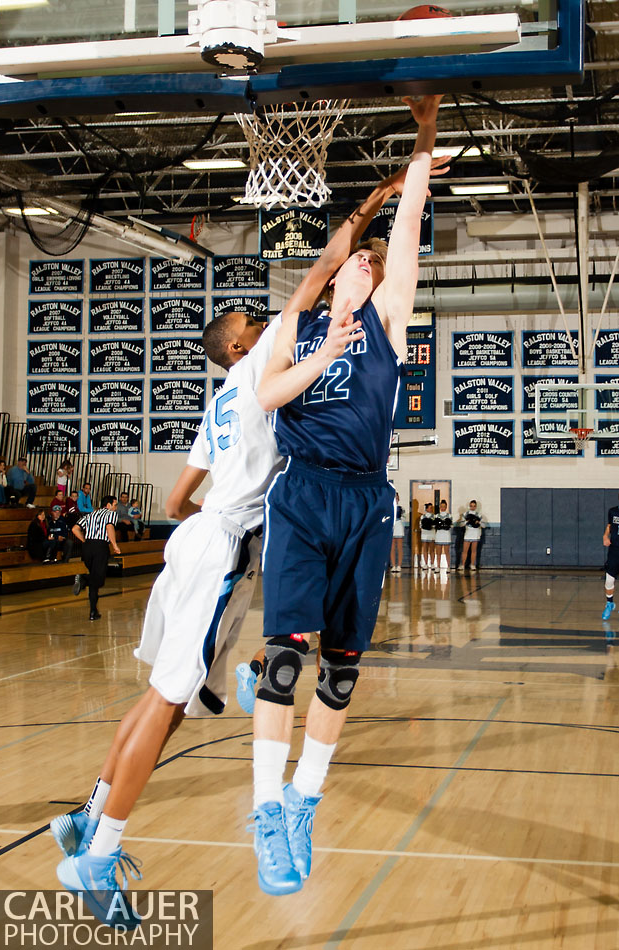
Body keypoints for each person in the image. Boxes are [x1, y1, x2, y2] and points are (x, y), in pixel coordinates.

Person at [50, 169, 421, 927]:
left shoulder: (217, 401)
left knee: (164, 697)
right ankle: (96, 852)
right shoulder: (265, 362)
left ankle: (89, 814)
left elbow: (178, 496)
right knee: (172, 700)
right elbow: (320, 270)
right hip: (223, 543)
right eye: (254, 319)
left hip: (196, 533)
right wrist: (376, 199)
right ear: (242, 342)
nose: (275, 316)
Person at [249, 95, 443, 896]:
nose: (366, 264)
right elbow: (267, 399)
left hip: (366, 500)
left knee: (342, 667)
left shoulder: (389, 323)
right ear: (333, 278)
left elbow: (409, 219)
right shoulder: (292, 328)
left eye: (371, 262)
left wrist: (424, 133)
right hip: (302, 496)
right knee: (287, 659)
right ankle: (266, 811)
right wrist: (322, 344)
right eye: (354, 261)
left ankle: (304, 802)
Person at [71, 495, 121, 621]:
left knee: (94, 580)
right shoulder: (111, 514)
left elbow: (75, 529)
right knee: (99, 579)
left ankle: (93, 611)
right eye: (115, 505)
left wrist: (84, 541)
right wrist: (115, 545)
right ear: (108, 505)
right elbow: (109, 527)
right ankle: (83, 579)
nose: (116, 507)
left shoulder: (90, 515)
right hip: (100, 547)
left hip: (87, 547)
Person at [602, 496, 619, 620]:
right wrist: (605, 536)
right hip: (614, 550)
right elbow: (609, 526)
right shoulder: (613, 512)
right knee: (609, 580)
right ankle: (609, 603)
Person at [458, 499, 483, 572]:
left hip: (475, 534)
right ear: (469, 506)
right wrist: (467, 521)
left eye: (474, 506)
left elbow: (483, 525)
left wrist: (479, 522)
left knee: (474, 551)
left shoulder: (479, 515)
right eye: (471, 506)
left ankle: (472, 564)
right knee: (465, 550)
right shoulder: (465, 514)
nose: (472, 507)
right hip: (468, 534)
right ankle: (462, 565)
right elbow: (461, 524)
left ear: (476, 507)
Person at [434, 499, 453, 573]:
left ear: (446, 507)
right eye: (441, 506)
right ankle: (438, 566)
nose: (442, 508)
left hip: (446, 535)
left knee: (446, 552)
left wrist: (447, 525)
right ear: (439, 507)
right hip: (439, 535)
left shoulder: (449, 515)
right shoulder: (436, 516)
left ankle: (448, 567)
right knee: (438, 552)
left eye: (444, 506)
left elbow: (451, 525)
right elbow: (434, 525)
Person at [390, 491, 405, 573]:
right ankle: (393, 565)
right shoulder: (388, 507)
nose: (396, 499)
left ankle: (399, 565)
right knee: (392, 547)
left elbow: (404, 517)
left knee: (399, 547)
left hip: (399, 526)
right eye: (394, 497)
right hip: (392, 526)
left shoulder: (401, 508)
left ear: (398, 498)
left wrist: (400, 518)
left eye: (397, 497)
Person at [419, 502, 436, 570]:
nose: (431, 509)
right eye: (430, 507)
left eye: (432, 508)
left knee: (432, 550)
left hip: (432, 534)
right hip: (424, 534)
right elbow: (420, 525)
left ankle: (432, 563)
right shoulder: (422, 516)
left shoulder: (434, 516)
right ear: (426, 509)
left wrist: (431, 525)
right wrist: (425, 525)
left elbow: (435, 525)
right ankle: (425, 564)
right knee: (425, 549)